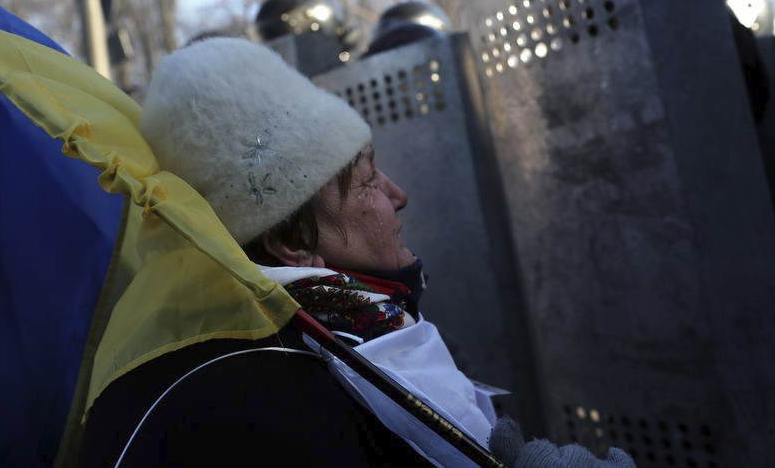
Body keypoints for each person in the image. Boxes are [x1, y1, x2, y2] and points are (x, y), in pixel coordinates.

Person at [76, 37, 634, 467]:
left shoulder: (330, 338)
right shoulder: (269, 404)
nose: (398, 195)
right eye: (366, 183)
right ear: (289, 242)